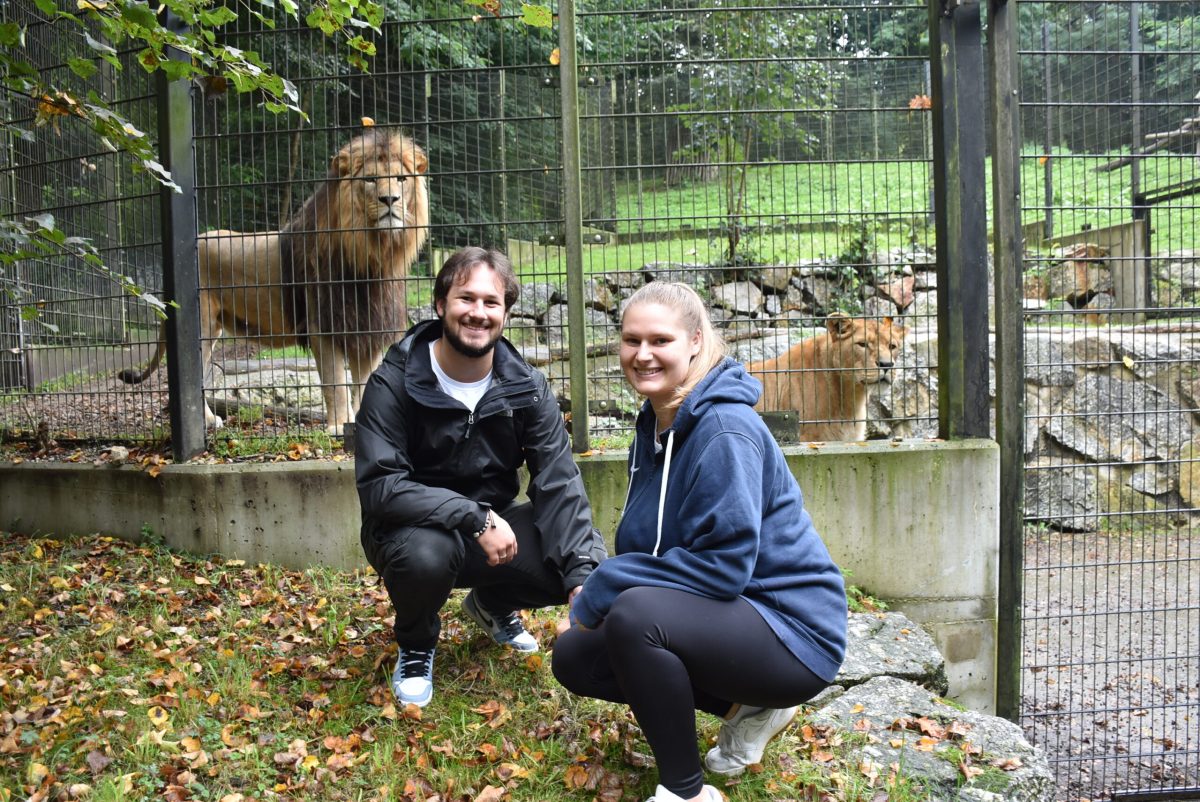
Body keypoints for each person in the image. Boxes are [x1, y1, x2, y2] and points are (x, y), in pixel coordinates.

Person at [552, 282, 848, 802]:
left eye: (659, 340)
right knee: (575, 657)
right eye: (631, 340)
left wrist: (607, 585)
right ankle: (746, 711)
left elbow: (723, 567)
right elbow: (653, 547)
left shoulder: (724, 430)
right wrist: (610, 593)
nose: (642, 354)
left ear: (694, 342)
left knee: (635, 617)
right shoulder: (656, 424)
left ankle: (684, 792)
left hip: (794, 632)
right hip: (731, 614)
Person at [355, 246, 607, 708]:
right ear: (440, 305)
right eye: (465, 298)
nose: (478, 312)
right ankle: (416, 644)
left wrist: (582, 581)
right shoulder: (394, 381)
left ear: (505, 313)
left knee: (581, 552)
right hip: (410, 529)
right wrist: (474, 516)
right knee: (426, 556)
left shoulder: (527, 387)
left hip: (493, 530)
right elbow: (381, 486)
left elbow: (559, 483)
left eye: (491, 302)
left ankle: (491, 604)